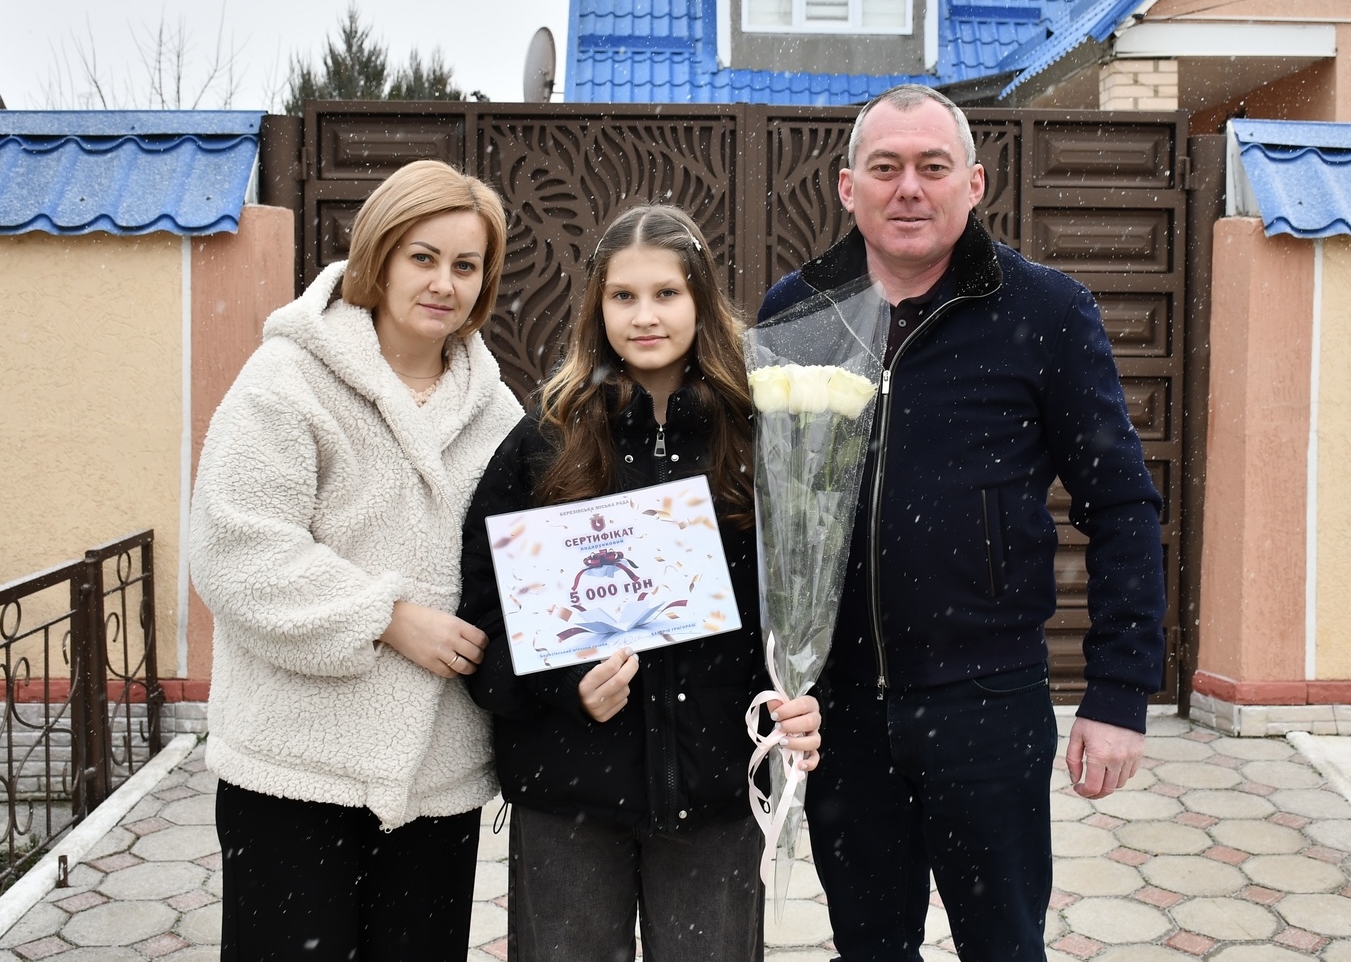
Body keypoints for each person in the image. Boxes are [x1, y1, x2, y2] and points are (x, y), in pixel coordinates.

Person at [759, 85, 1166, 961]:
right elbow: (762, 503)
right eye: (885, 167)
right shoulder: (796, 309)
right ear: (847, 187)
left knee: (1003, 945)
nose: (909, 187)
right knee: (869, 946)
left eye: (932, 166)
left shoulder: (1045, 311)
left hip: (987, 701)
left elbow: (1121, 504)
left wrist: (1118, 690)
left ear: (973, 184)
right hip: (840, 712)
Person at [459, 205, 822, 962]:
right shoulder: (544, 439)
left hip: (719, 786)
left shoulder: (761, 433)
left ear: (701, 301)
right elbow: (484, 614)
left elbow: (804, 599)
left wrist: (800, 694)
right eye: (623, 296)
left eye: (666, 293)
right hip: (569, 791)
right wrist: (564, 685)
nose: (644, 316)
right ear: (596, 307)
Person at [190, 160, 524, 961]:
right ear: (379, 253)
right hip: (293, 765)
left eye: (466, 265)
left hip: (437, 777)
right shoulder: (287, 378)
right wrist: (385, 618)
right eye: (422, 256)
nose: (443, 282)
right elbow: (237, 548)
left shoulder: (498, 413)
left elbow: (526, 564)